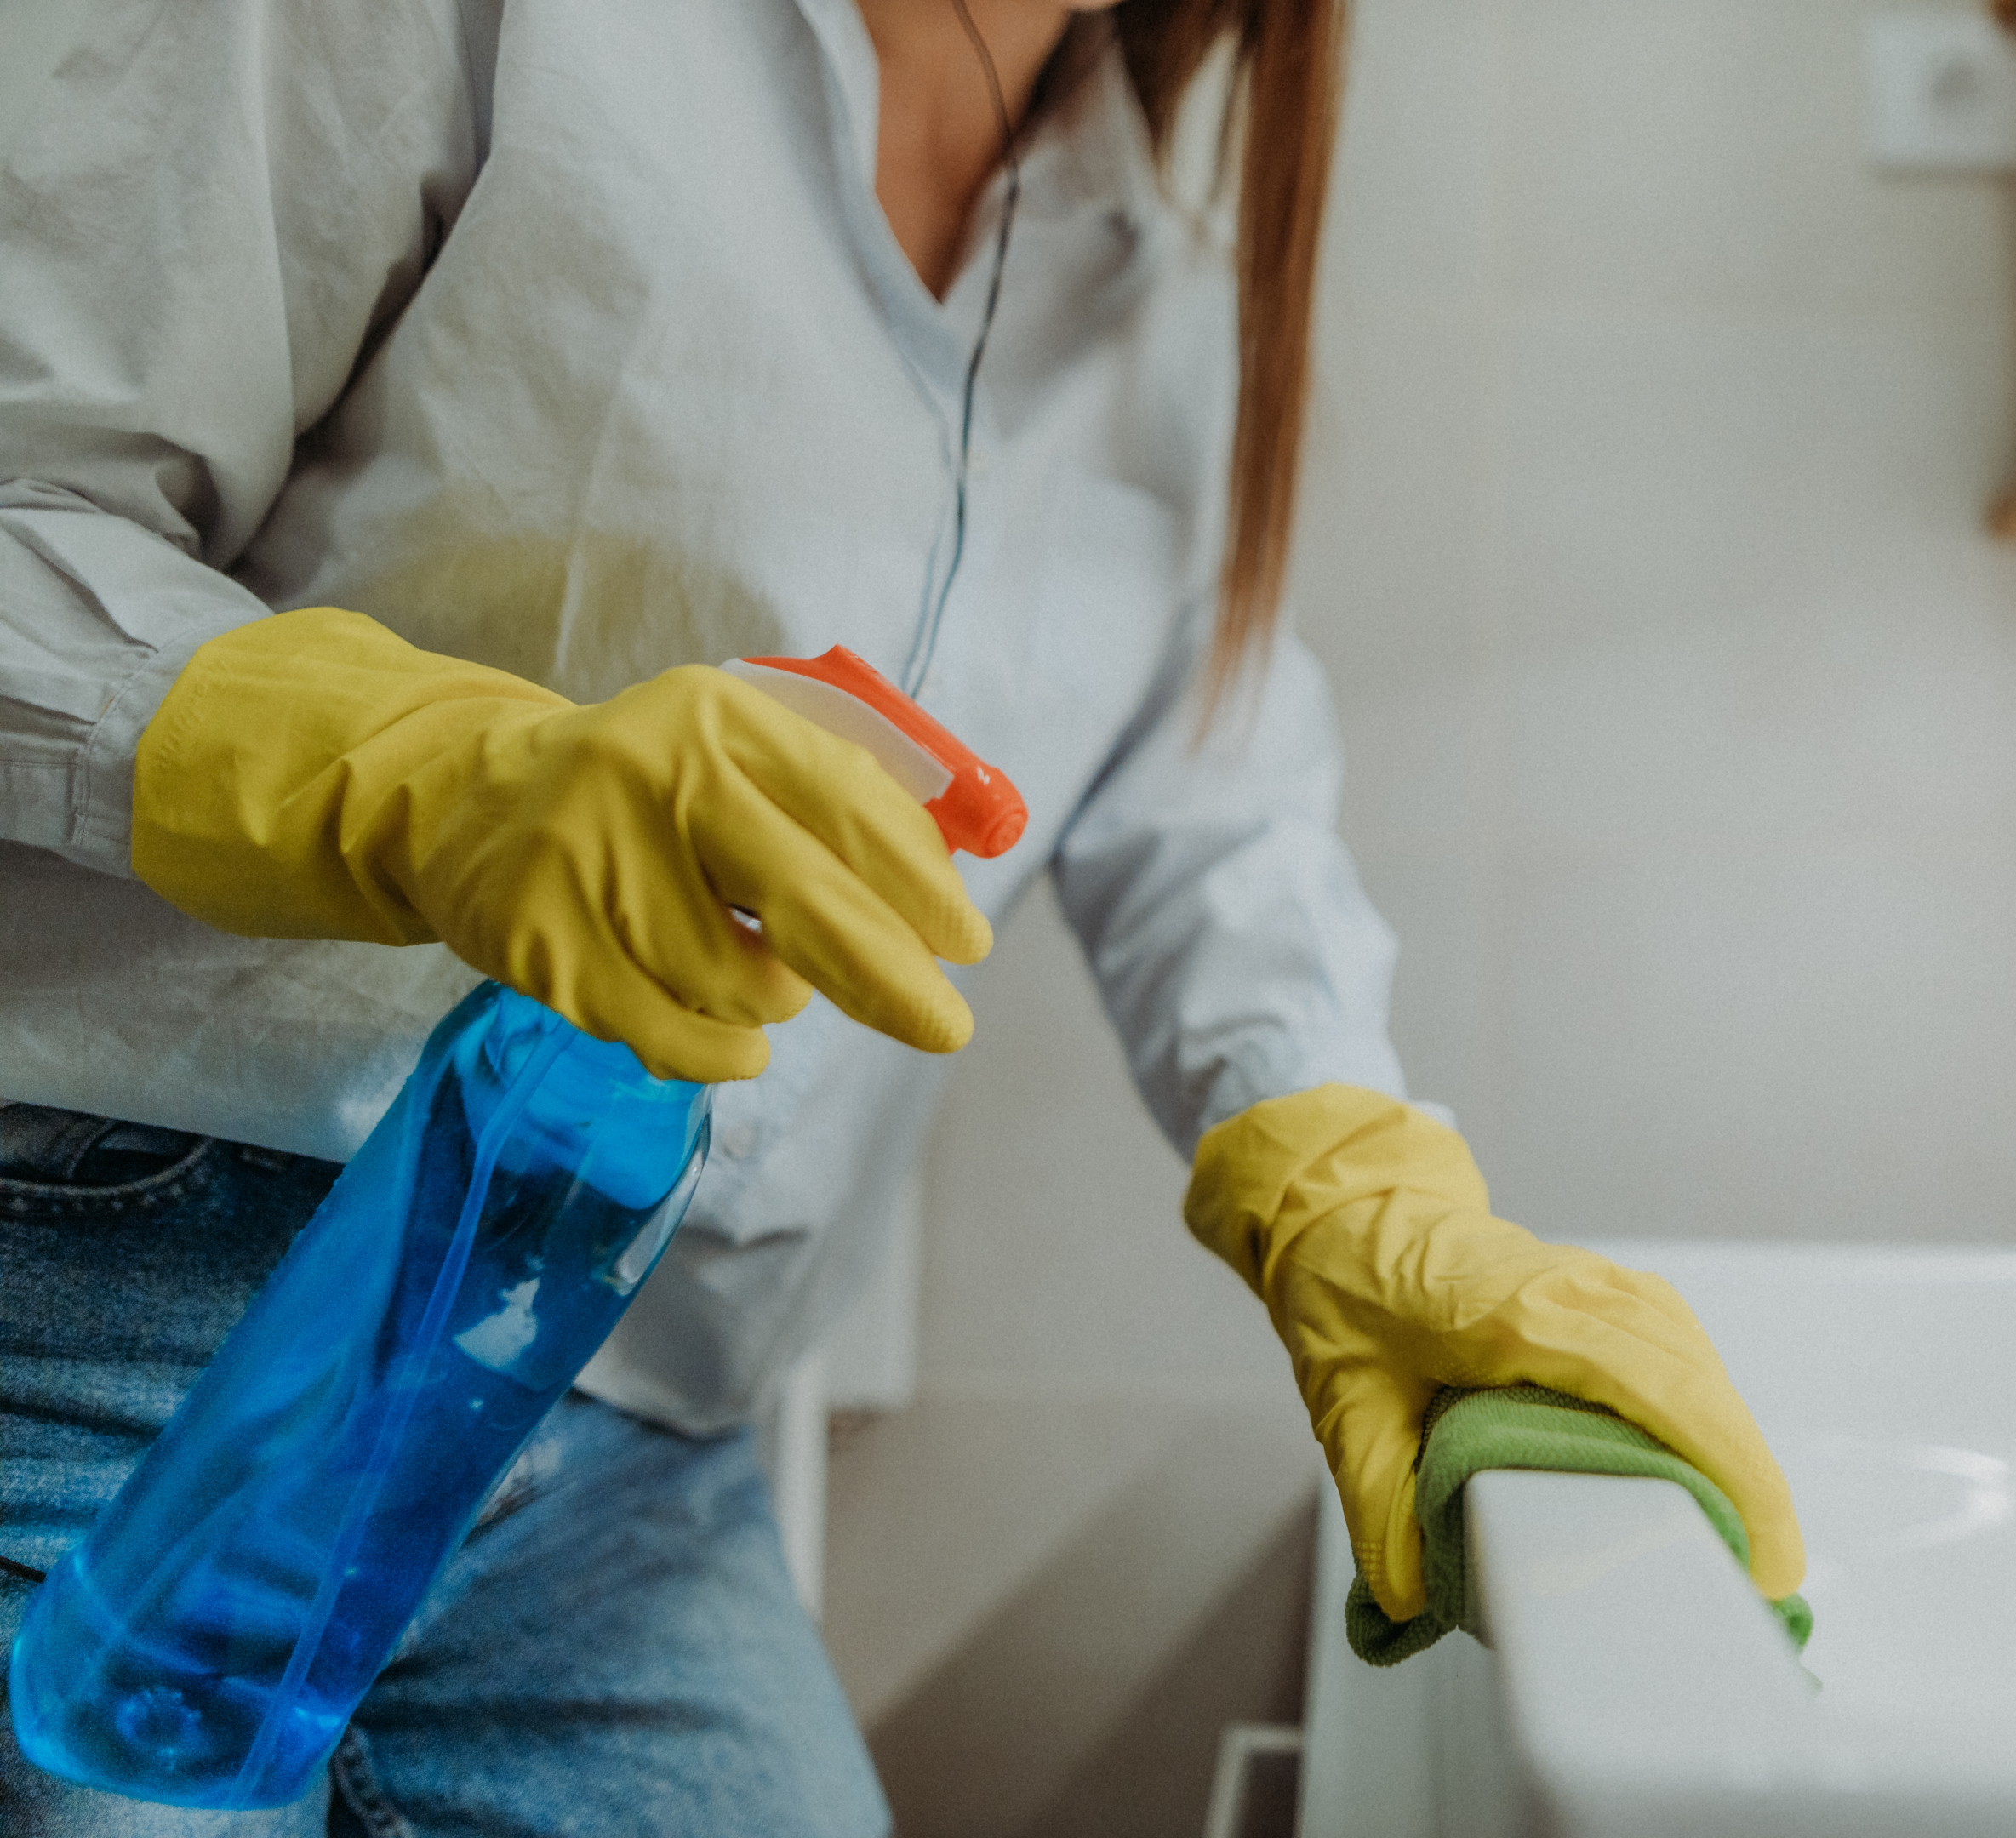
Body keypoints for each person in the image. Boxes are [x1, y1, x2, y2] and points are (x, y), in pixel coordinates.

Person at [0, 1, 1805, 1830]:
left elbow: (1216, 823)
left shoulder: (1156, 297)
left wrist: (1349, 1187)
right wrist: (422, 774)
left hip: (621, 1415)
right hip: (131, 1281)